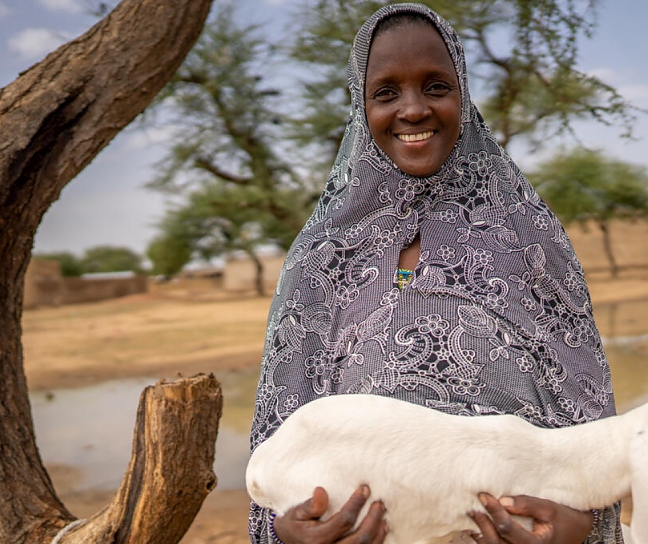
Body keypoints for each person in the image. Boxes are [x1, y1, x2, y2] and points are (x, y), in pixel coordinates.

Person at [247, 4, 622, 544]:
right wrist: (291, 532)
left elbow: (591, 431)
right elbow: (279, 442)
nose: (414, 109)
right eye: (386, 93)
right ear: (362, 108)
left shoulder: (531, 242)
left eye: (436, 87)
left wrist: (578, 526)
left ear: (464, 98)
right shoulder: (320, 260)